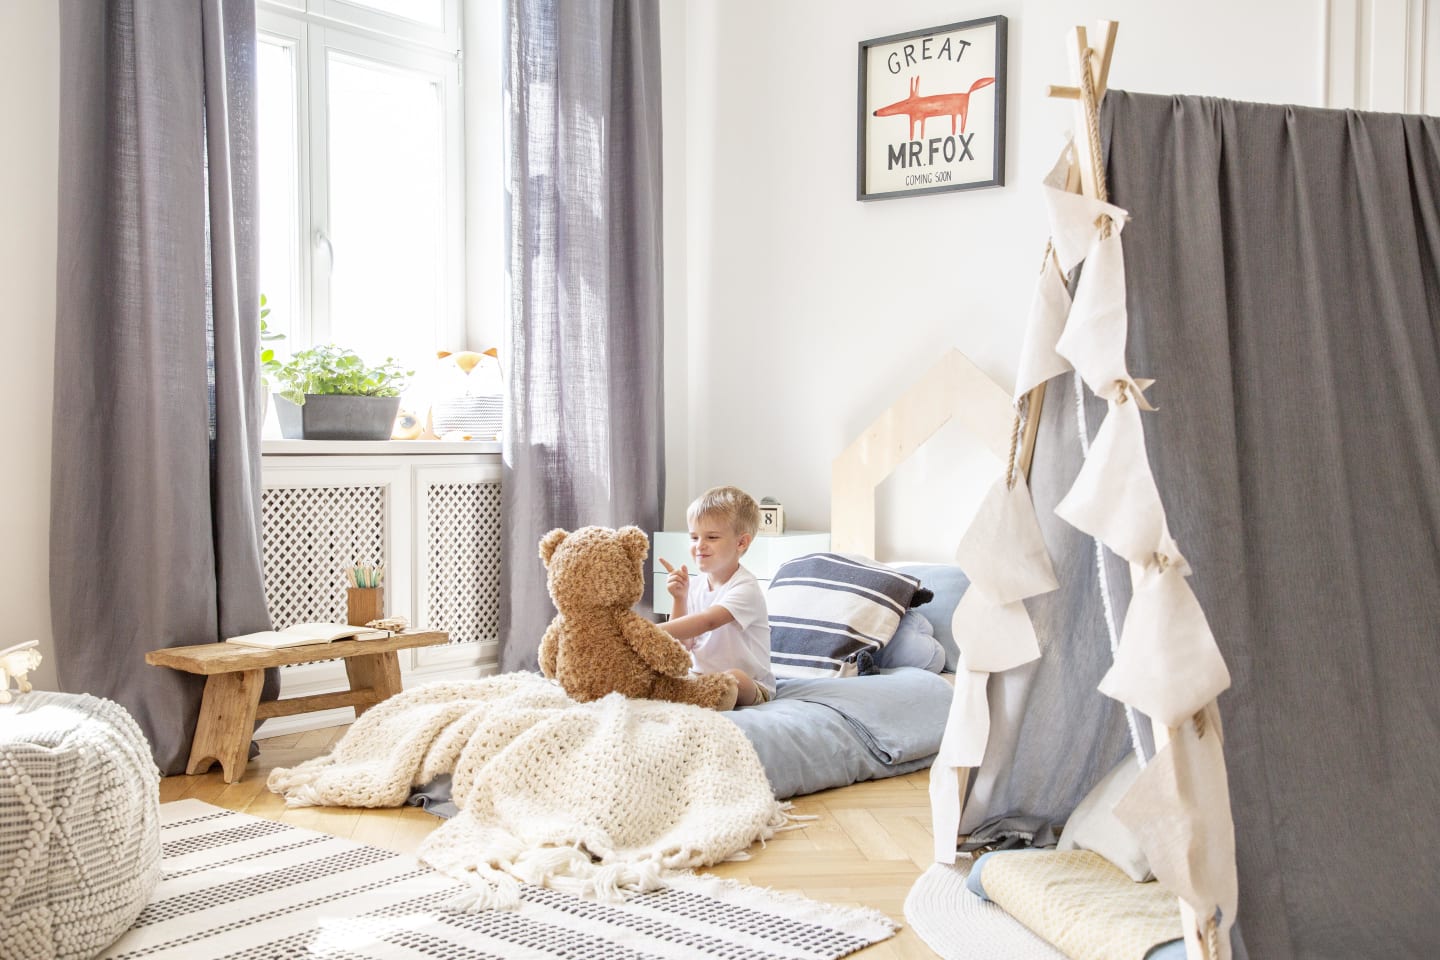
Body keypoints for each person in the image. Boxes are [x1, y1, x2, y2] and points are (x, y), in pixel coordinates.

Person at [659, 486, 775, 708]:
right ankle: (701, 694)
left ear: (741, 543)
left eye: (711, 537)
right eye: (694, 537)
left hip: (751, 684)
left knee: (734, 678)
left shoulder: (745, 588)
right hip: (699, 677)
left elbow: (708, 621)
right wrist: (679, 599)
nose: (699, 545)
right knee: (668, 674)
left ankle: (714, 697)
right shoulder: (694, 585)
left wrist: (647, 631)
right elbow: (683, 644)